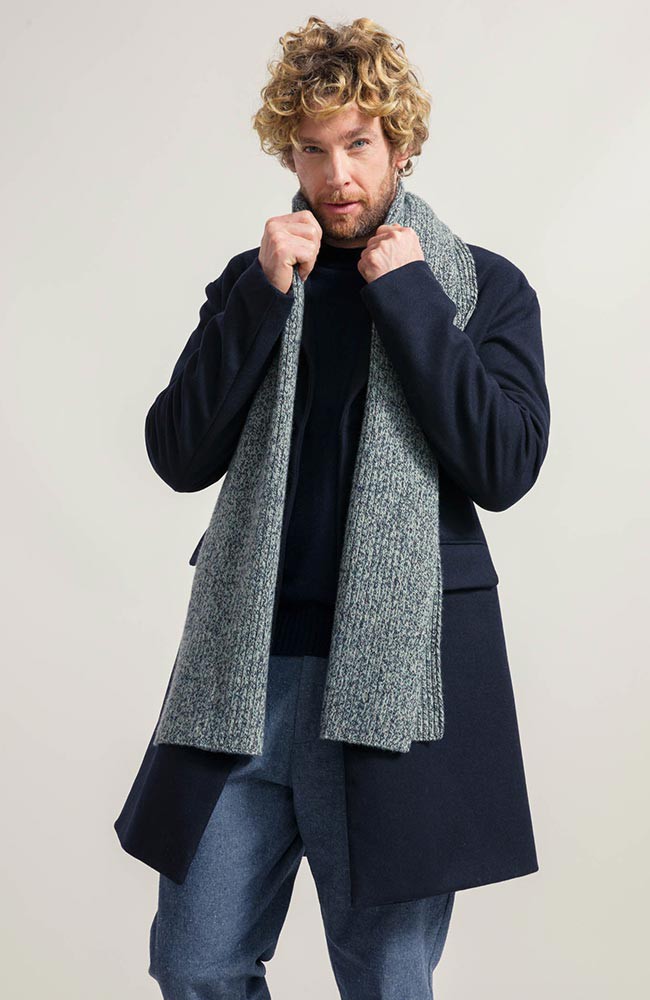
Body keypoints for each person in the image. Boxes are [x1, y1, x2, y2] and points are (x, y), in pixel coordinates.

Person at [114, 16, 551, 999]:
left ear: (398, 142)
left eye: (357, 143)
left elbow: (505, 464)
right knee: (193, 961)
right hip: (244, 674)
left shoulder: (479, 287)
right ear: (290, 156)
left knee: (387, 979)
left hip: (398, 687)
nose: (337, 175)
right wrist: (260, 299)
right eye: (312, 151)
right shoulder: (257, 281)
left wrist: (412, 301)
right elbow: (178, 454)